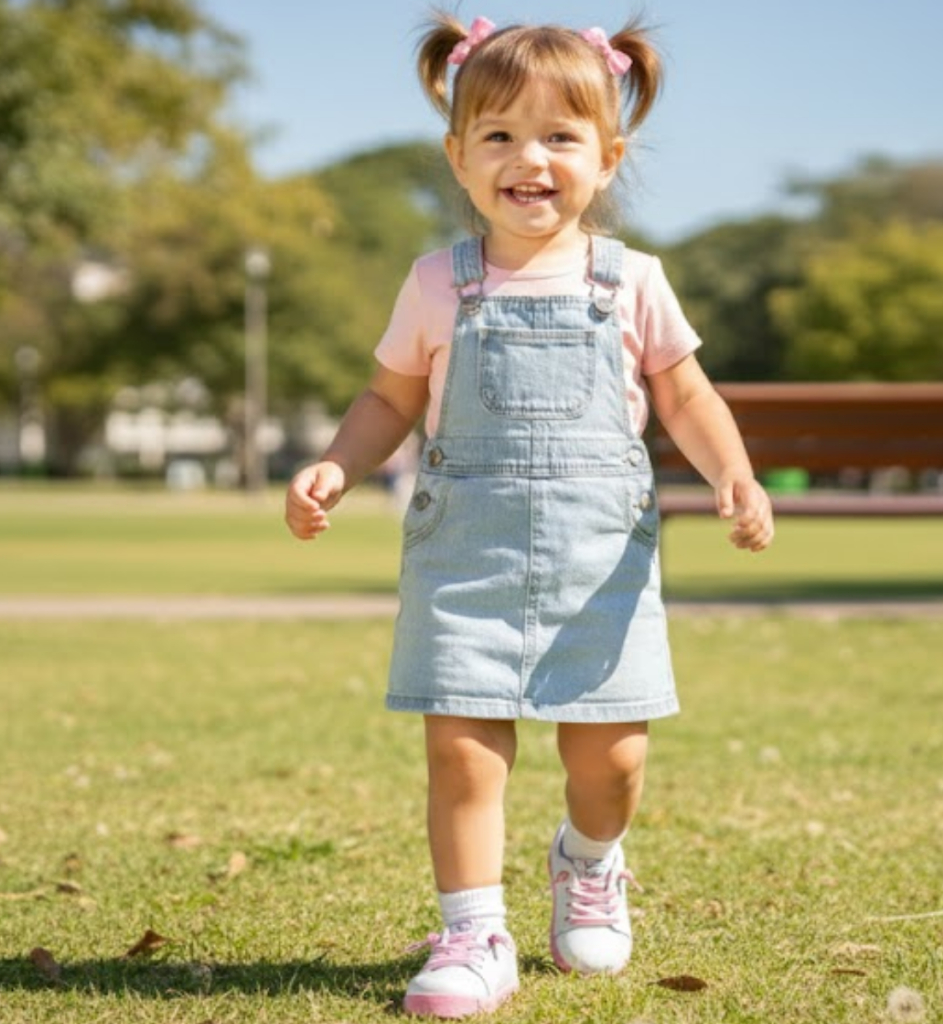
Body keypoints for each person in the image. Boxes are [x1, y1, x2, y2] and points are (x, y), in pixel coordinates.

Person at [285, 11, 774, 1019]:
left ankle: (586, 860)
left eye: (559, 136)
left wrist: (732, 471)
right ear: (458, 156)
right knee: (461, 749)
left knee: (613, 759)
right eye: (499, 135)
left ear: (608, 155)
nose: (529, 159)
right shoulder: (435, 283)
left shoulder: (631, 281)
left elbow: (685, 395)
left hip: (599, 567)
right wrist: (337, 463)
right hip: (465, 558)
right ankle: (472, 931)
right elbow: (388, 399)